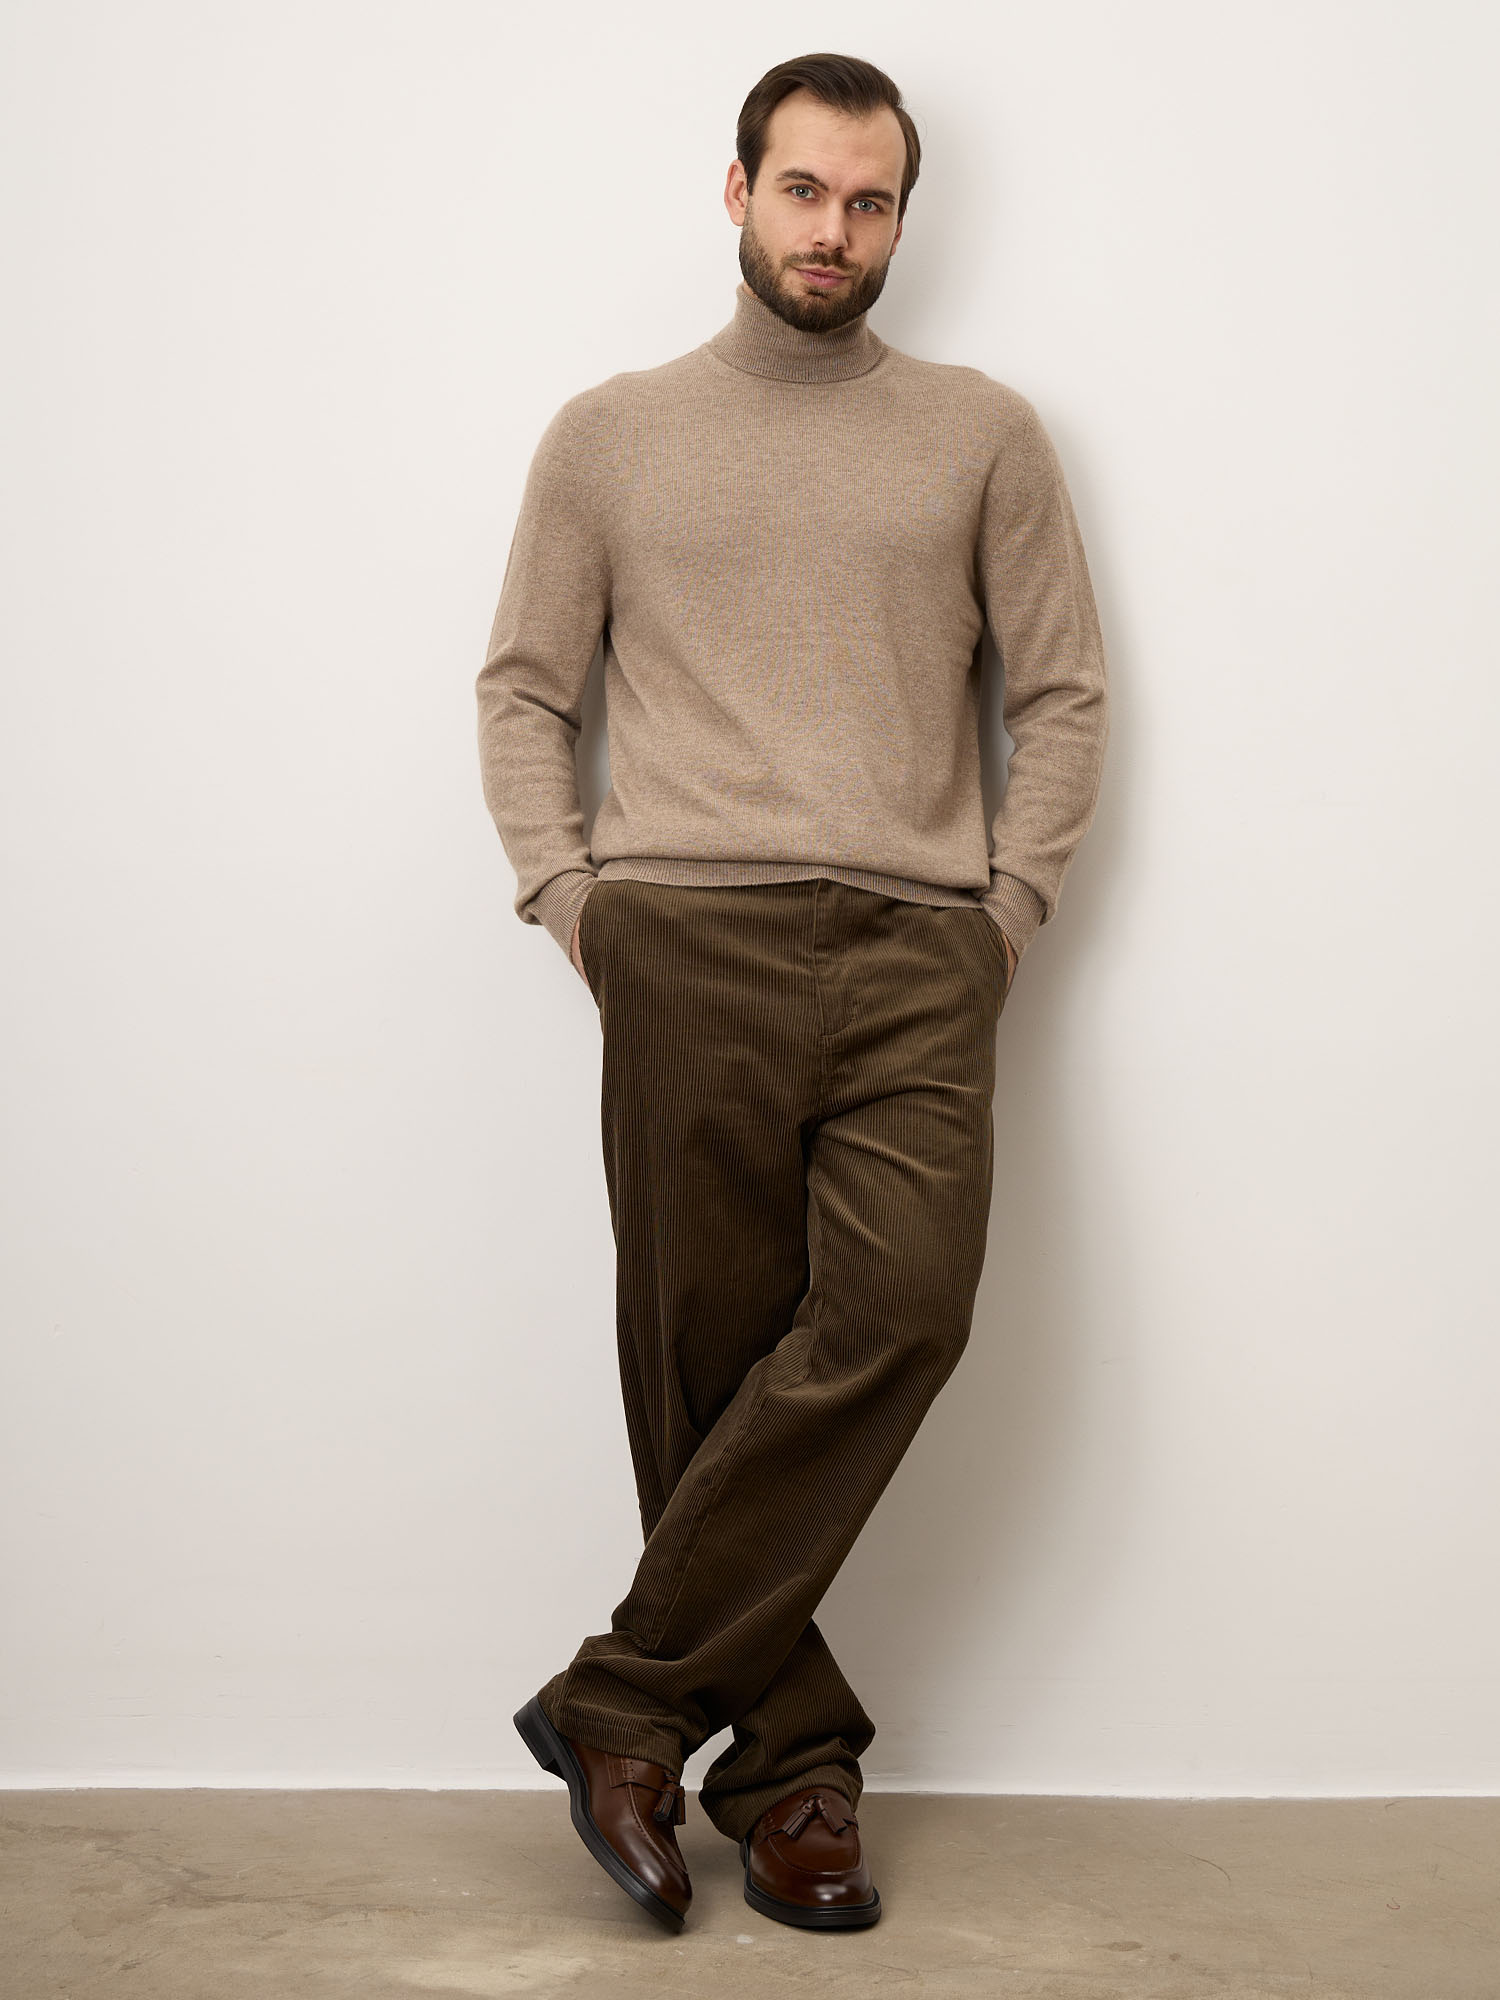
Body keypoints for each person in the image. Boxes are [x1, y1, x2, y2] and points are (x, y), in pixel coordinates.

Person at [475, 50, 1109, 1934]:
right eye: (806, 190)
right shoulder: (610, 434)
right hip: (683, 936)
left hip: (922, 949)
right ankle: (795, 1770)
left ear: (903, 218)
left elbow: (1062, 695)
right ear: (738, 191)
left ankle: (624, 1704)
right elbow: (526, 689)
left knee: (902, 1313)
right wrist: (572, 900)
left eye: (871, 200)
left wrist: (1005, 911)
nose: (835, 230)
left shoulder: (983, 432)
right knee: (703, 1364)